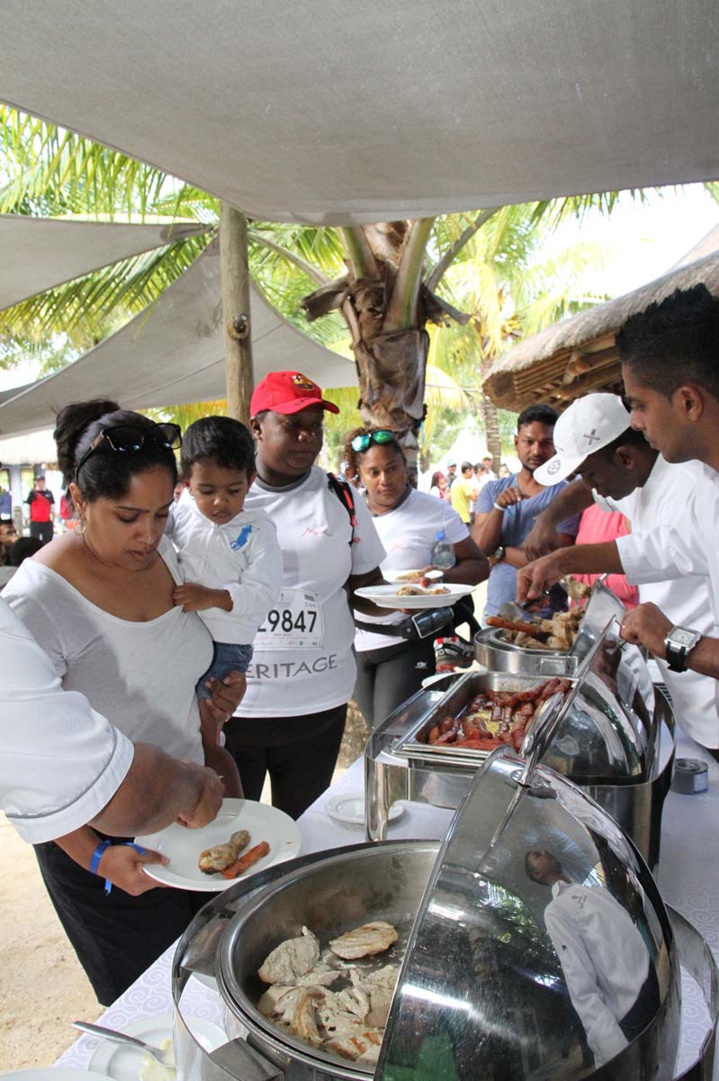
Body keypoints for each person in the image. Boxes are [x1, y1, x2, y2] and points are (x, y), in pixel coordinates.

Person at [4, 400, 245, 1004]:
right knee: (154, 1011)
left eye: (163, 514)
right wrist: (96, 858)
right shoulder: (37, 600)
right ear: (79, 503)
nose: (149, 534)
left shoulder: (168, 555)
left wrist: (211, 715)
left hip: (195, 811)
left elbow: (170, 674)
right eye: (128, 516)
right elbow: (28, 765)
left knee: (220, 989)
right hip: (112, 852)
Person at [223, 371, 386, 819]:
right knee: (231, 836)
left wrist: (418, 602)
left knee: (301, 832)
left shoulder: (342, 496)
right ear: (257, 428)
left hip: (318, 702)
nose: (306, 438)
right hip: (233, 707)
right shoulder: (217, 497)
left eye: (314, 426)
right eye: (292, 425)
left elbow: (367, 587)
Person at [519, 392, 718, 749]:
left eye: (640, 406)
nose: (591, 488)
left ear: (624, 457)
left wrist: (672, 638)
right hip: (685, 690)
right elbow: (655, 548)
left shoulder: (692, 489)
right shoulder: (636, 475)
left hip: (708, 687)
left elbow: (660, 550)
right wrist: (550, 523)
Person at [1, 598, 224, 843]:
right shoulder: (33, 600)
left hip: (166, 810)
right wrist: (193, 786)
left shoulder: (174, 568)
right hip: (114, 822)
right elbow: (58, 774)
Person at [343, 428, 488, 730]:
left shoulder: (435, 512)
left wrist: (434, 579)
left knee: (390, 734)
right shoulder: (346, 512)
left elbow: (478, 565)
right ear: (359, 475)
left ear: (404, 466)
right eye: (374, 472)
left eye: (392, 468)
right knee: (378, 735)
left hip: (408, 639)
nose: (385, 479)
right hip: (356, 643)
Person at [168, 415, 281, 718]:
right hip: (178, 636)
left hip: (227, 647)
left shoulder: (259, 529)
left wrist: (211, 597)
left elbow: (264, 593)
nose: (220, 502)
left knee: (206, 722)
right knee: (176, 718)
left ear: (251, 480)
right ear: (187, 484)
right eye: (206, 491)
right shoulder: (180, 515)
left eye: (233, 490)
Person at [526, 850, 660, 1067]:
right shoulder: (555, 911)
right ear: (538, 874)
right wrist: (614, 1049)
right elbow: (580, 982)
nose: (544, 851)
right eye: (536, 856)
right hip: (633, 1005)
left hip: (651, 977)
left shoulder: (593, 890)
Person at [473, 404, 580, 618]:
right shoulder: (493, 490)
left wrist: (502, 552)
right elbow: (480, 548)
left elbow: (556, 561)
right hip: (497, 613)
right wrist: (499, 507)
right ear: (516, 442)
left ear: (556, 445)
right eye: (529, 442)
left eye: (546, 443)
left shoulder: (568, 496)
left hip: (547, 617)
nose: (536, 451)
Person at [25, 474, 55, 545]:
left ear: (44, 482)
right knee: (34, 542)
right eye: (37, 481)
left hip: (46, 522)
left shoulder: (49, 493)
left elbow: (52, 506)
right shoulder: (32, 493)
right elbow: (27, 506)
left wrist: (53, 520)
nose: (39, 483)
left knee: (48, 542)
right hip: (35, 522)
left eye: (40, 481)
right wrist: (28, 518)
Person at [450, 460, 480, 525]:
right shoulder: (463, 483)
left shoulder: (455, 481)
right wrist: (476, 487)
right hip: (463, 518)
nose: (473, 474)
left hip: (456, 516)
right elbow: (475, 497)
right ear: (468, 470)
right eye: (472, 471)